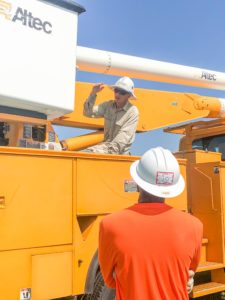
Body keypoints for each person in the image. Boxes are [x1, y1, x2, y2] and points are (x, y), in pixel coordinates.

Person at [99, 147, 203, 300]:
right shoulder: (195, 226)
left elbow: (110, 281)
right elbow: (188, 273)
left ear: (138, 183)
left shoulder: (110, 225)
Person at [83, 76, 139, 154]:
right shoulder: (108, 105)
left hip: (120, 155)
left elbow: (118, 145)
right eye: (116, 90)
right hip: (105, 149)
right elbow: (88, 113)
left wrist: (91, 151)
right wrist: (93, 93)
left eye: (122, 92)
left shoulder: (132, 111)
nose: (118, 94)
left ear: (129, 96)